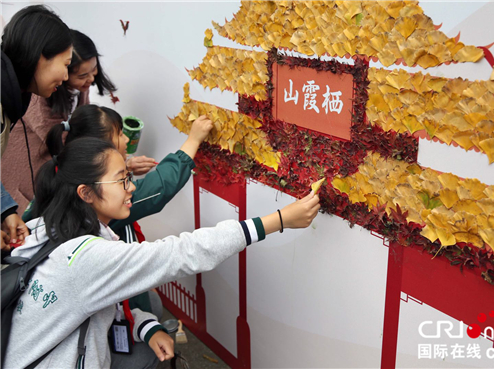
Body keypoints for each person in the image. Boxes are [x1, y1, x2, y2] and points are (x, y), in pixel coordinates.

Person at [4, 137, 320, 368]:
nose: (131, 187)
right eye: (122, 179)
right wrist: (279, 220)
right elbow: (181, 253)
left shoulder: (43, 227)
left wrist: (144, 325)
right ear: (85, 193)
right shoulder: (86, 258)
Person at [2, 29, 155, 215]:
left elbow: (86, 132)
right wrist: (120, 167)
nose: (90, 79)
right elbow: (73, 148)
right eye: (82, 75)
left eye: (94, 70)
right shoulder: (39, 99)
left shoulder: (80, 89)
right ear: (63, 71)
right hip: (24, 174)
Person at [1, 4, 73, 251]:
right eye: (65, 64)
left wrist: (5, 212)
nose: (66, 77)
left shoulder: (12, 100)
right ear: (40, 55)